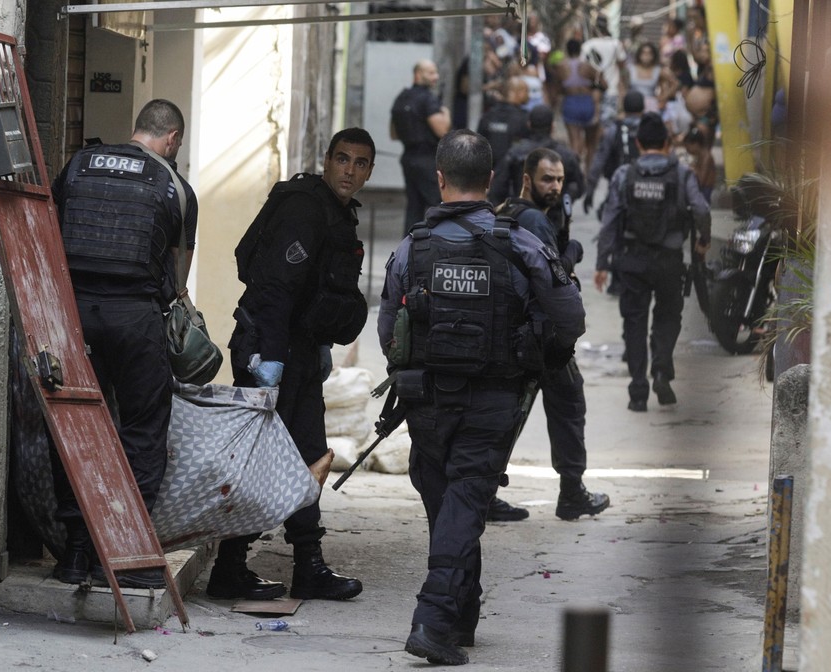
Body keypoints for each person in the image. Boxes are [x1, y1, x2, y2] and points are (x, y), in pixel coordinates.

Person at [379, 130, 586, 664]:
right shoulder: (519, 243)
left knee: (449, 505)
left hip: (424, 400)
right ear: (492, 182)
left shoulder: (412, 247)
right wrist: (542, 356)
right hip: (493, 399)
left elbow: (387, 331)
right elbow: (571, 317)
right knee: (465, 504)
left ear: (440, 179)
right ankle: (432, 621)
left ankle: (458, 617)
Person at [206, 128, 376, 602]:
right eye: (342, 159)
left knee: (307, 457)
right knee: (265, 462)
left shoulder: (336, 212)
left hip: (297, 351)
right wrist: (270, 367)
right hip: (271, 348)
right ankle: (232, 567)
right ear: (326, 160)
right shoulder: (305, 207)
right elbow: (275, 291)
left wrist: (312, 349)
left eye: (360, 163)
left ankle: (305, 565)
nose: (350, 170)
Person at [49, 99, 197, 588]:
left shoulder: (78, 166)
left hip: (75, 317)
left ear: (138, 129)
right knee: (142, 430)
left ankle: (74, 551)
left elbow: (48, 233)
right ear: (172, 138)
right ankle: (125, 552)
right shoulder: (174, 186)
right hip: (135, 317)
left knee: (76, 426)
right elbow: (177, 277)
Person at [496, 147, 610, 521]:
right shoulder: (535, 221)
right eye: (547, 179)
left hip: (520, 333)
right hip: (541, 335)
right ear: (527, 179)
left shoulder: (511, 211)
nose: (555, 186)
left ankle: (482, 492)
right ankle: (572, 493)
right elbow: (552, 276)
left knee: (510, 415)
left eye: (560, 179)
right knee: (568, 407)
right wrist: (572, 253)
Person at [593, 113, 711, 412]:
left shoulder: (624, 174)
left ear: (637, 143)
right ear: (668, 143)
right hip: (669, 261)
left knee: (634, 323)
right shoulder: (682, 173)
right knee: (668, 316)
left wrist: (602, 262)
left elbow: (610, 219)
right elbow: (700, 208)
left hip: (632, 260)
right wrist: (703, 241)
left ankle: (637, 392)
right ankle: (660, 369)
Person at [391, 60, 452, 235]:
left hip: (408, 158)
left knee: (414, 207)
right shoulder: (428, 99)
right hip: (426, 159)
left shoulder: (401, 97)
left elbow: (393, 133)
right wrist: (445, 113)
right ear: (418, 74)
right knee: (438, 205)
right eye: (431, 73)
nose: (436, 77)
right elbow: (441, 130)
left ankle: (409, 247)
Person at [488, 104, 584, 209]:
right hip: (553, 218)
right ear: (552, 126)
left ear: (529, 125)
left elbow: (497, 188)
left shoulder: (514, 153)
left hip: (522, 215)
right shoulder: (566, 155)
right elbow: (579, 186)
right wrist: (560, 202)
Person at [584, 90, 645, 216]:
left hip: (617, 186)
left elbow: (599, 161)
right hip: (646, 186)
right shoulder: (650, 127)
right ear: (643, 108)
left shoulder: (613, 130)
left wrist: (590, 192)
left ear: (624, 107)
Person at [556, 38, 600, 171]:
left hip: (570, 103)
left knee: (575, 142)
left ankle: (573, 174)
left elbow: (558, 88)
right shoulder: (588, 66)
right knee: (591, 143)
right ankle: (588, 174)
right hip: (587, 103)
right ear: (580, 50)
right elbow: (603, 83)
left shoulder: (560, 66)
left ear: (567, 50)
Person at [581, 15, 628, 128]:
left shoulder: (587, 45)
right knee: (608, 128)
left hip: (591, 92)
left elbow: (582, 69)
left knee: (592, 129)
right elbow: (622, 67)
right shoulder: (616, 44)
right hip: (611, 91)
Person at [476, 76, 531, 169]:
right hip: (512, 173)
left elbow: (478, 145)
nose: (529, 95)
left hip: (489, 172)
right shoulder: (524, 119)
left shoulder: (488, 115)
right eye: (526, 91)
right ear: (517, 93)